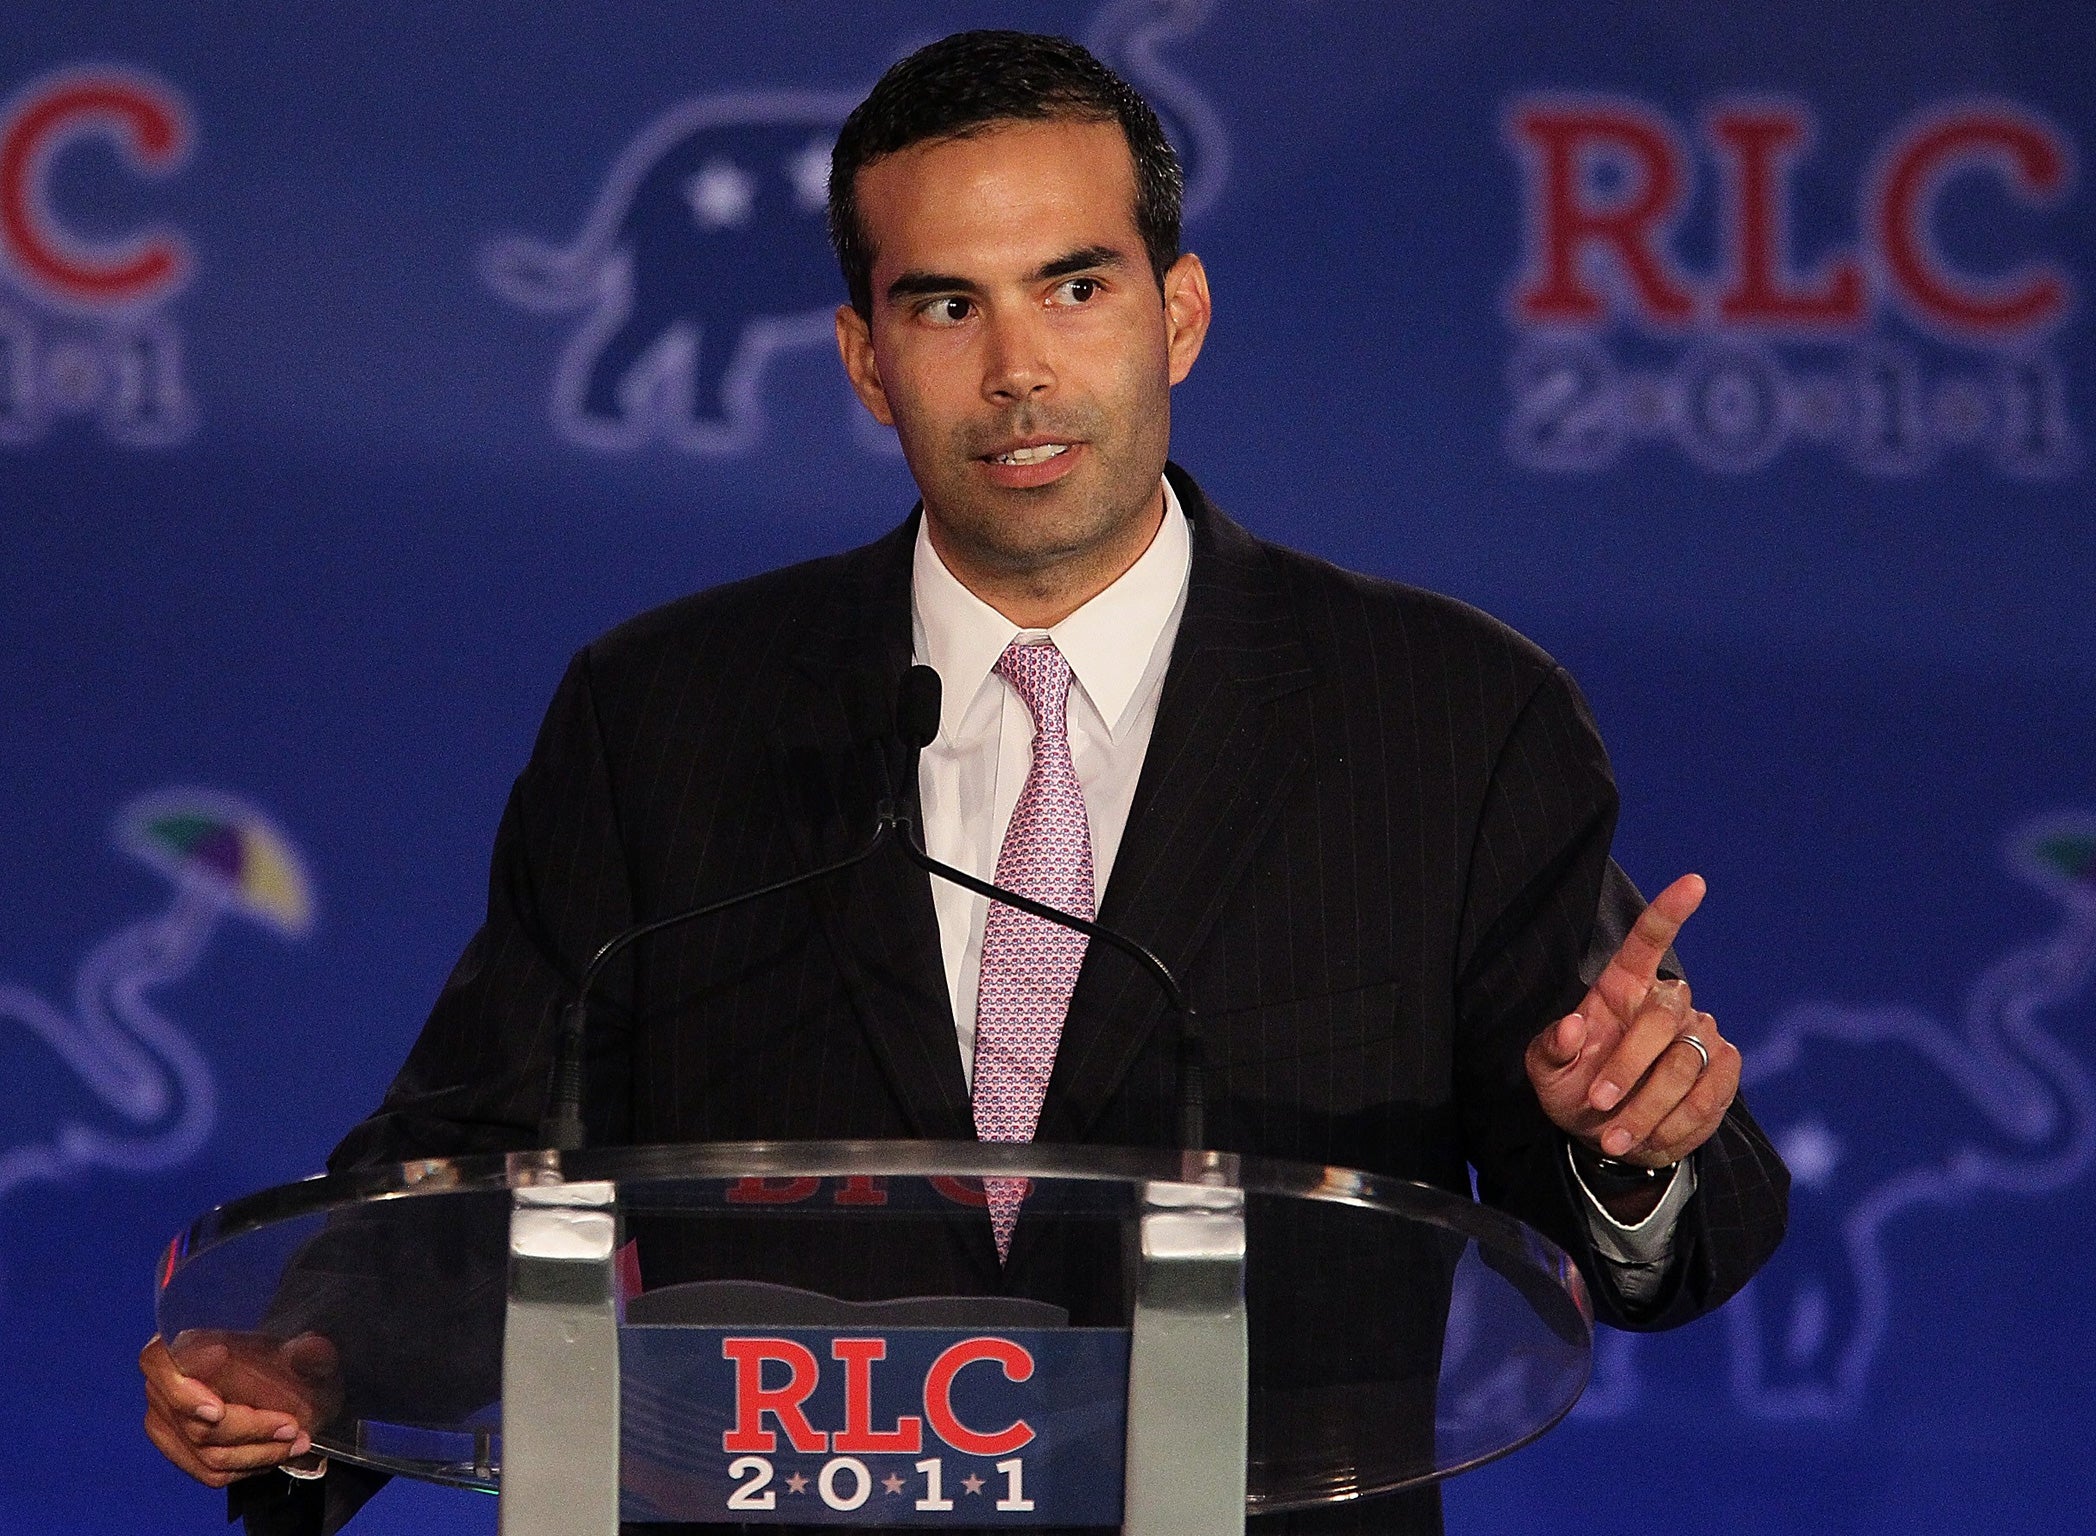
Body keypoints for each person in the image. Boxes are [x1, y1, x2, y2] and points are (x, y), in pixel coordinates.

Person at [141, 30, 1786, 1535]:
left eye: (1074, 288)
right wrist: (316, 1362)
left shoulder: (1446, 717)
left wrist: (1632, 1150)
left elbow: (1656, 1229)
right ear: (865, 358)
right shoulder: (668, 712)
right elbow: (479, 1152)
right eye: (946, 306)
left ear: (1180, 313)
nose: (1016, 369)